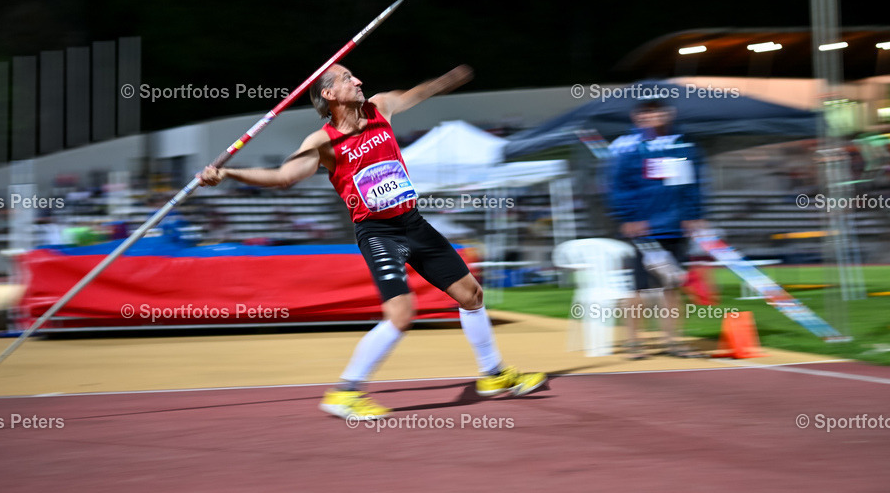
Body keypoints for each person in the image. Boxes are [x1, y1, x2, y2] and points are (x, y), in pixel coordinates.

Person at [198, 64, 545, 420]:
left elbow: (418, 93)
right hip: (378, 233)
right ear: (329, 95)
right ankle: (344, 393)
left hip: (413, 222)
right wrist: (227, 173)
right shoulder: (323, 142)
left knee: (472, 295)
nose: (359, 81)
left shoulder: (380, 107)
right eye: (348, 78)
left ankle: (492, 375)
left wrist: (446, 80)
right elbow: (285, 176)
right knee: (401, 314)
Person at [605, 97, 709, 359]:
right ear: (637, 119)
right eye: (646, 115)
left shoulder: (682, 146)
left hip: (674, 227)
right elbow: (619, 187)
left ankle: (673, 342)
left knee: (671, 287)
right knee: (637, 289)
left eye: (657, 113)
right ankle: (633, 343)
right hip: (644, 230)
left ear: (668, 115)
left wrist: (693, 215)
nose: (652, 118)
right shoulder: (630, 151)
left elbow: (690, 186)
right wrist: (627, 217)